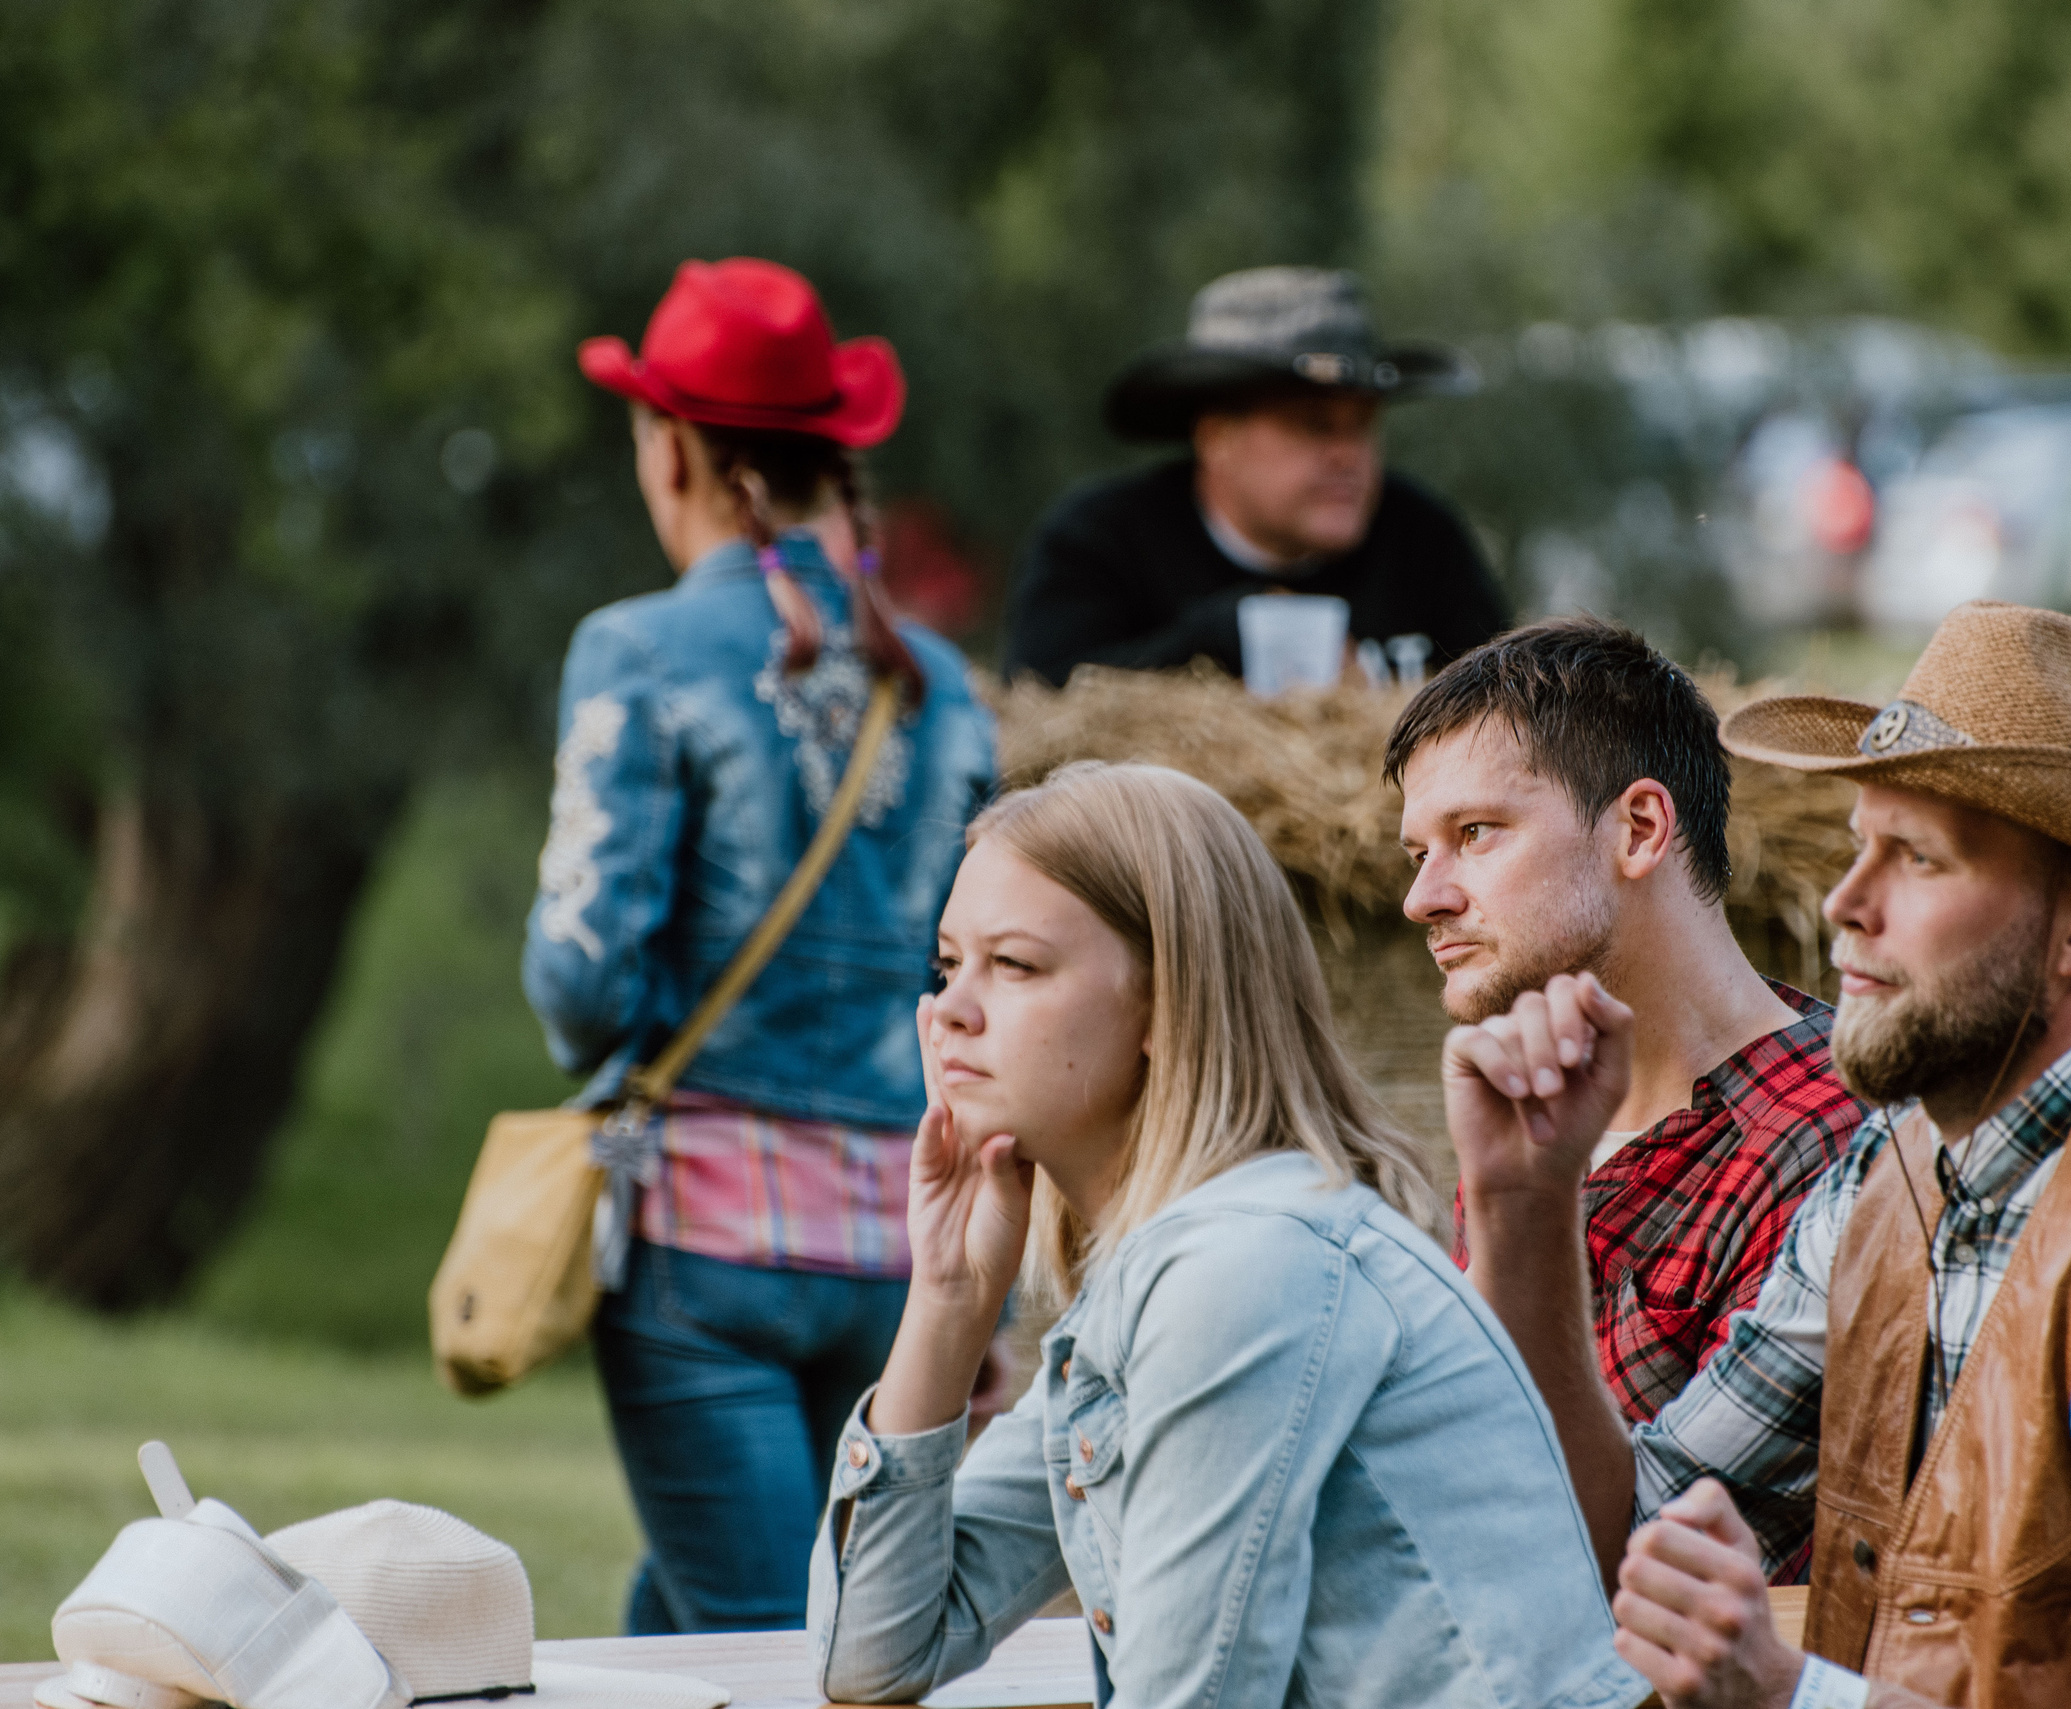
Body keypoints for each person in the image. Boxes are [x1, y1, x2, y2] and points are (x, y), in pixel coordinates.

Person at [1444, 603, 2071, 1709]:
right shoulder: (1892, 1171)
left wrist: (1783, 1691)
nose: (1844, 903)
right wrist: (1525, 1200)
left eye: (1916, 858)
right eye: (1859, 844)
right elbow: (1617, 1534)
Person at [808, 762, 1648, 1709]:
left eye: (1015, 965)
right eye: (946, 966)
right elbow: (871, 1651)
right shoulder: (1163, 1275)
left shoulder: (1244, 1267)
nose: (949, 1012)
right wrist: (949, 1299)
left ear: (1166, 1004)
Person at [523, 257, 999, 1634]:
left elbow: (581, 977)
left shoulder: (639, 649)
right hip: (902, 1247)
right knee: (693, 1610)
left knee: (770, 1644)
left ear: (673, 451)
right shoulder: (945, 685)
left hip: (703, 1245)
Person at [1387, 619, 1865, 1425]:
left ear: (1640, 829)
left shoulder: (1824, 1142)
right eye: (1417, 854)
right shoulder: (1527, 1104)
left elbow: (1655, 1494)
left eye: (1474, 833)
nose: (1421, 898)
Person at [1001, 266, 1510, 686]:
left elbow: (1513, 712)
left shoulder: (1424, 541)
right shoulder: (1102, 541)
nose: (1348, 456)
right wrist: (1221, 638)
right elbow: (1041, 707)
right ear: (1216, 438)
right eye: (1314, 425)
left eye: (1362, 425)